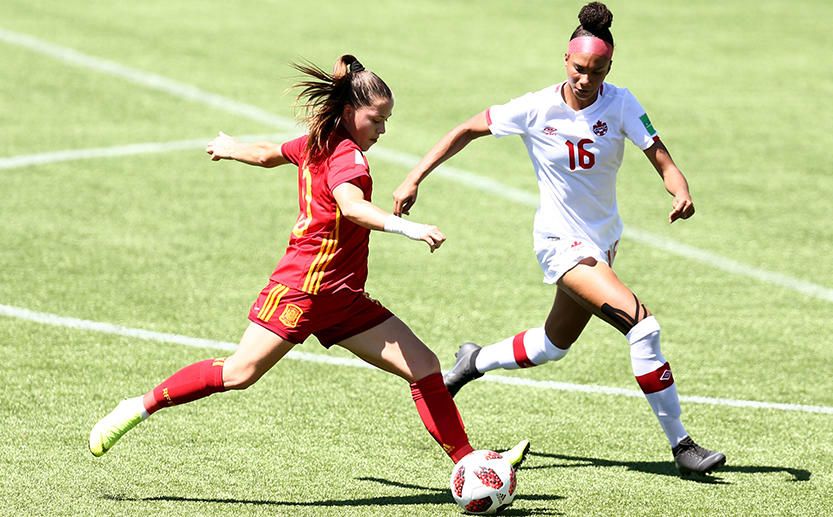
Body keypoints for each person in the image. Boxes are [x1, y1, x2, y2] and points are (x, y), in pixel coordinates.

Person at [89, 55, 529, 470]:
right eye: (376, 120)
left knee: (424, 366)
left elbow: (266, 154)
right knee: (239, 373)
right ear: (351, 111)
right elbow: (352, 206)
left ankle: (470, 463)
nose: (382, 129)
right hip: (302, 289)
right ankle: (138, 407)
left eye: (386, 121)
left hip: (342, 299)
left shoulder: (319, 141)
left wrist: (230, 146)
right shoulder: (347, 157)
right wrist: (409, 229)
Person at [392, 3, 725, 476]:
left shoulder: (624, 103)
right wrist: (413, 178)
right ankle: (684, 447)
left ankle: (472, 361)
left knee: (553, 344)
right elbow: (466, 129)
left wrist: (681, 189)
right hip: (560, 244)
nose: (585, 78)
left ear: (610, 66)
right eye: (578, 68)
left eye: (597, 70)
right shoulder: (535, 107)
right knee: (643, 328)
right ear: (564, 60)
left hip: (603, 243)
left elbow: (663, 159)